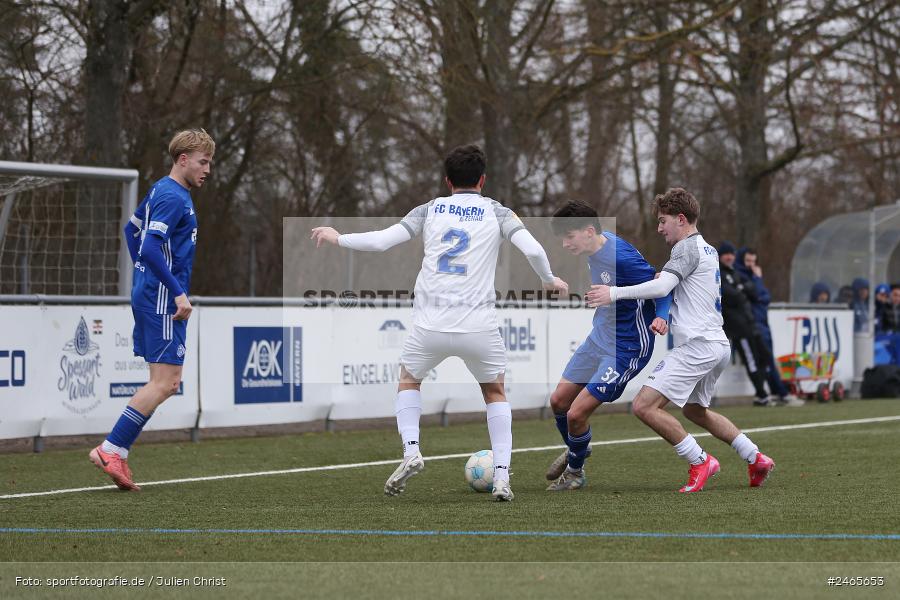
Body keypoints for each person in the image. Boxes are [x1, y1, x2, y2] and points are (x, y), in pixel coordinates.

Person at [310, 144, 568, 502]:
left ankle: (412, 450)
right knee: (494, 392)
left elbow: (384, 241)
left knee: (408, 381)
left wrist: (339, 237)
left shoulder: (429, 209)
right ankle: (502, 477)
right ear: (483, 179)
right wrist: (549, 280)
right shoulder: (497, 211)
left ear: (448, 180)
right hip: (477, 325)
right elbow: (536, 251)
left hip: (429, 325)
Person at [586, 188, 775, 493]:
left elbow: (662, 287)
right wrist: (666, 315)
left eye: (663, 221)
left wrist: (613, 293)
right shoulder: (708, 250)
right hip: (717, 345)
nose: (659, 228)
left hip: (698, 347)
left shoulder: (685, 249)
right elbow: (686, 292)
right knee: (694, 411)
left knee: (644, 406)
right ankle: (754, 457)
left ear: (681, 219)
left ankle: (700, 460)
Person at [89, 129, 215, 491]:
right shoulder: (174, 197)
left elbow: (132, 231)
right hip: (163, 300)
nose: (207, 169)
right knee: (166, 382)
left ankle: (117, 452)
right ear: (183, 160)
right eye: (203, 162)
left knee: (164, 382)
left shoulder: (163, 189)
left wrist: (144, 275)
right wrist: (176, 293)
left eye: (209, 162)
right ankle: (111, 449)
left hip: (152, 294)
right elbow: (147, 246)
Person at [543, 201, 671, 491]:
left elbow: (660, 285)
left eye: (569, 237)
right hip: (599, 338)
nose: (565, 244)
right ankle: (579, 448)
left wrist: (662, 316)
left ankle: (575, 471)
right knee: (559, 402)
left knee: (576, 414)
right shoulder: (596, 246)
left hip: (626, 348)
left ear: (589, 231)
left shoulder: (620, 257)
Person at [735, 247, 802, 406]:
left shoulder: (751, 276)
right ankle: (780, 392)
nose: (751, 265)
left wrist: (758, 288)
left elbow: (765, 297)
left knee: (767, 361)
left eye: (753, 261)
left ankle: (776, 391)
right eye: (747, 261)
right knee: (765, 360)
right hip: (754, 324)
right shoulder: (742, 276)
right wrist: (758, 279)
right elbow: (758, 294)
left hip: (763, 322)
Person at [718, 242, 772, 406]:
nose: (730, 257)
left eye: (732, 254)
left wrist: (741, 287)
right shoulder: (719, 273)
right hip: (738, 328)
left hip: (750, 323)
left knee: (765, 357)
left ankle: (761, 392)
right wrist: (741, 289)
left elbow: (752, 292)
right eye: (727, 254)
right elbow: (732, 295)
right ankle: (761, 394)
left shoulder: (734, 272)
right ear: (720, 256)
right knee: (752, 360)